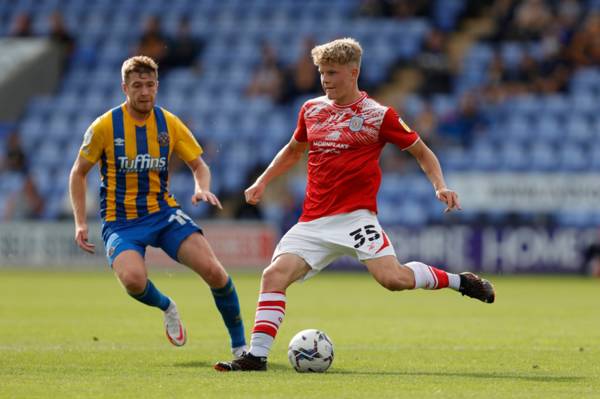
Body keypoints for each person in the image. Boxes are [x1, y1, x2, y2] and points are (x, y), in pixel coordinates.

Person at [214, 38, 495, 372]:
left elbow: (422, 152)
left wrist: (440, 185)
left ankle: (459, 281)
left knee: (393, 280)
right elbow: (292, 150)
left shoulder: (378, 116)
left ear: (353, 72)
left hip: (356, 219)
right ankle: (256, 357)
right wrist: (262, 181)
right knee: (273, 275)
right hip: (313, 221)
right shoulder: (311, 110)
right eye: (322, 73)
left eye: (332, 73)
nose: (325, 80)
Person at [68, 56, 246, 357]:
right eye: (137, 86)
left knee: (215, 273)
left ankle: (241, 347)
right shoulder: (104, 126)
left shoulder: (169, 123)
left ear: (157, 86)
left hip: (162, 214)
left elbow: (199, 165)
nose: (144, 92)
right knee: (134, 281)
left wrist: (202, 188)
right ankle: (167, 306)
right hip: (121, 221)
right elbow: (78, 173)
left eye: (150, 85)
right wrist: (80, 222)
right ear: (125, 88)